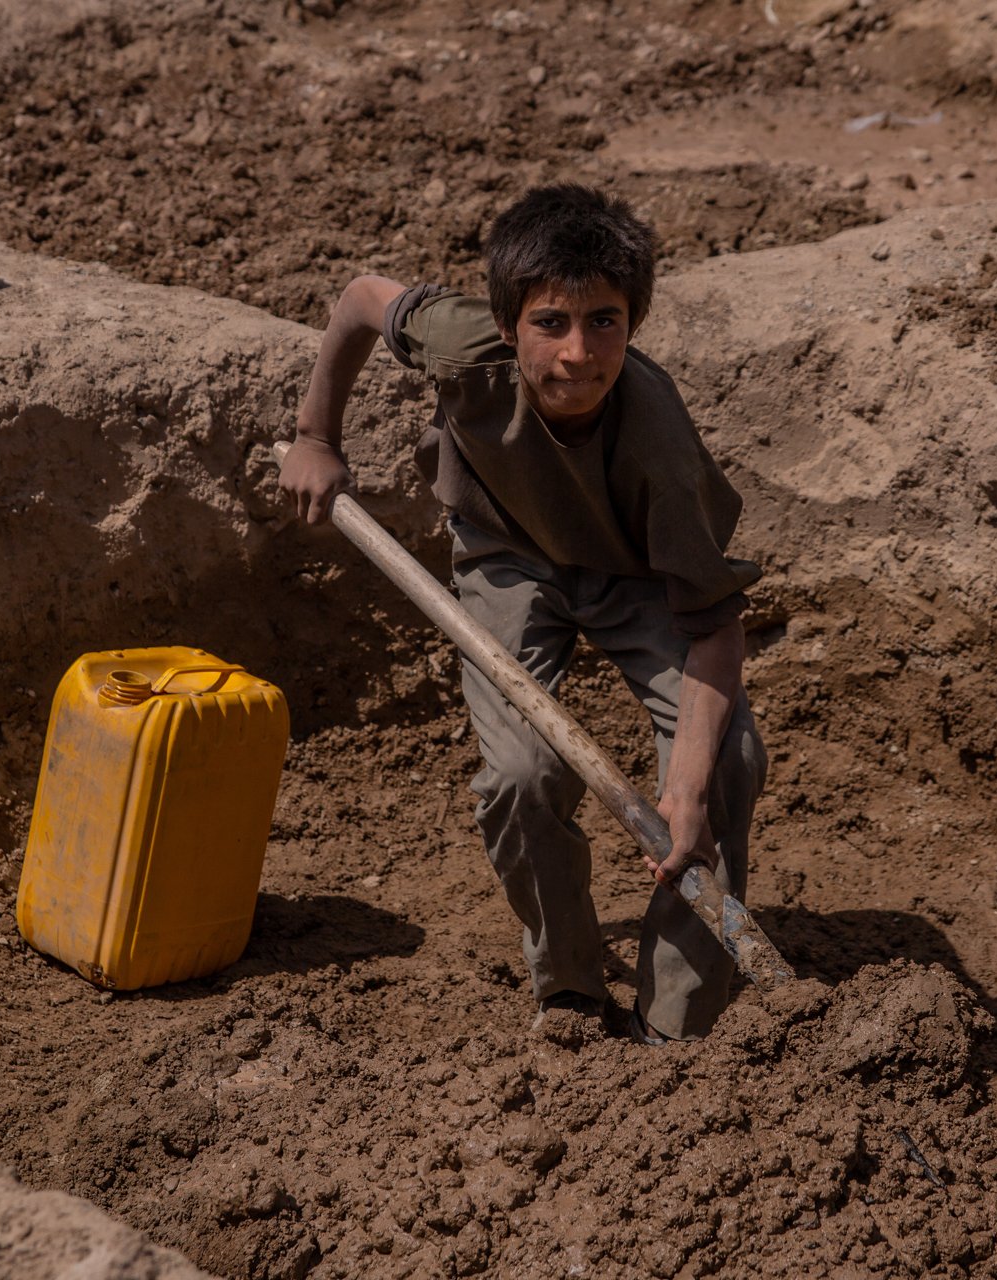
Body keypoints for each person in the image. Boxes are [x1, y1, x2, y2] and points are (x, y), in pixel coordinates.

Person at [277, 184, 768, 1043]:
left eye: (605, 322)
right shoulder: (462, 346)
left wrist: (683, 788)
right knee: (522, 778)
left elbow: (713, 626)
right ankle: (572, 988)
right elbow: (361, 297)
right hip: (507, 557)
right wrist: (317, 435)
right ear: (508, 325)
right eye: (552, 323)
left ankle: (674, 1030)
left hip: (638, 574)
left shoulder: (658, 443)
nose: (579, 354)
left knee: (725, 771)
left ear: (633, 322)